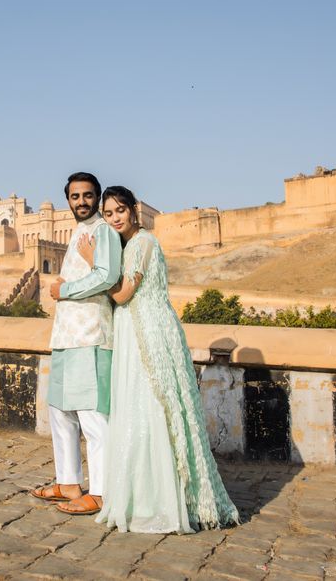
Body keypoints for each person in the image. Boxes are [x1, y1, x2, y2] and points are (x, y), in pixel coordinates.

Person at [80, 185, 238, 533]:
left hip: (147, 333)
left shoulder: (143, 243)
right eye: (108, 213)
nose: (114, 218)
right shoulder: (129, 244)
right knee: (140, 410)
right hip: (134, 330)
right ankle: (144, 495)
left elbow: (123, 294)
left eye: (120, 210)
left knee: (151, 409)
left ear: (134, 210)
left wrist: (95, 265)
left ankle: (158, 501)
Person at [31, 172, 122, 516]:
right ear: (67, 200)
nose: (81, 201)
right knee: (60, 410)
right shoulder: (78, 233)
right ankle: (68, 481)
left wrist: (63, 290)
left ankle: (101, 492)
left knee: (93, 416)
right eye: (74, 196)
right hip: (67, 336)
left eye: (87, 196)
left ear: (97, 198)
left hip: (91, 336)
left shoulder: (104, 232)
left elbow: (107, 277)